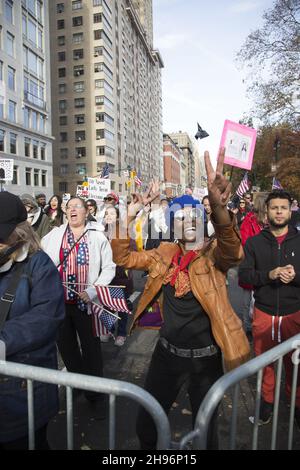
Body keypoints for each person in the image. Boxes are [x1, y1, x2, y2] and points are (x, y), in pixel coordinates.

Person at [111, 148, 250, 449]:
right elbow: (123, 257)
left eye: (193, 215)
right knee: (146, 428)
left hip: (206, 362)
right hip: (166, 357)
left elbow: (234, 250)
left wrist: (218, 208)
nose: (186, 220)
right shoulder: (164, 253)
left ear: (201, 221)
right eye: (179, 216)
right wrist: (127, 217)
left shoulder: (213, 255)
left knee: (206, 436)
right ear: (171, 225)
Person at [0, 191, 65, 450]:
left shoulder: (39, 265)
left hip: (24, 391)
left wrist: (4, 341)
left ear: (19, 232)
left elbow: (47, 316)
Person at [41, 197, 115, 417]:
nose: (72, 210)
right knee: (67, 349)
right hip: (59, 303)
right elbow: (40, 260)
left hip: (86, 304)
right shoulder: (54, 235)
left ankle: (96, 395)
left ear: (86, 212)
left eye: (77, 207)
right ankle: (80, 385)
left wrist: (92, 291)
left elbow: (109, 268)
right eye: (69, 207)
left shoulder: (97, 235)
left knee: (92, 351)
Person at [239, 189, 300, 426]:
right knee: (265, 363)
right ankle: (267, 404)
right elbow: (244, 276)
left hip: (294, 313)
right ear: (267, 211)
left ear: (290, 210)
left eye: (283, 207)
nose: (278, 212)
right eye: (274, 207)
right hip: (264, 312)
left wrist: (295, 277)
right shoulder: (255, 242)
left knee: (295, 364)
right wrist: (269, 275)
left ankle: (296, 404)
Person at [239, 194, 267, 336]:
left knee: (262, 302)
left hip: (267, 271)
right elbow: (245, 243)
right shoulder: (248, 222)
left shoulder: (273, 224)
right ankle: (247, 329)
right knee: (247, 302)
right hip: (250, 268)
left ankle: (261, 329)